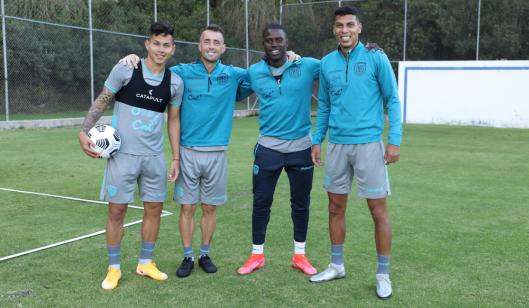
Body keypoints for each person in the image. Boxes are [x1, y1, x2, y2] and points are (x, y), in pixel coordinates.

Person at [120, 24, 301, 278]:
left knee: (209, 208)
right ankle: (187, 256)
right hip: (187, 152)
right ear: (199, 45)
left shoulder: (235, 75)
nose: (212, 46)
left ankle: (204, 253)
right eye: (207, 41)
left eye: (217, 42)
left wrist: (289, 56)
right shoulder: (181, 73)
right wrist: (133, 60)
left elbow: (266, 70)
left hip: (217, 153)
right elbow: (155, 68)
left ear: (223, 47)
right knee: (187, 208)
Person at [78, 21, 183, 290]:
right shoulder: (125, 69)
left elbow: (173, 121)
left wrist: (175, 157)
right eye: (156, 43)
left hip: (154, 158)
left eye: (166, 45)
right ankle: (114, 268)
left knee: (154, 209)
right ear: (147, 44)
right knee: (117, 210)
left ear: (173, 49)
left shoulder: (174, 83)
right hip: (122, 156)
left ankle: (145, 263)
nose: (161, 49)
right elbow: (103, 99)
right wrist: (84, 131)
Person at [308, 6, 402, 300]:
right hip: (337, 145)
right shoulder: (326, 63)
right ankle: (337, 265)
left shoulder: (376, 57)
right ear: (334, 29)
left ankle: (382, 274)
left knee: (378, 211)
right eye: (339, 25)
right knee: (335, 208)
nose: (344, 30)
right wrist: (316, 139)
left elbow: (393, 99)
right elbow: (323, 105)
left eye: (350, 24)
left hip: (369, 144)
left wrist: (394, 140)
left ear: (359, 28)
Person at [236, 24, 319, 276]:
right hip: (268, 148)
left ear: (286, 42)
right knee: (261, 202)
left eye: (279, 40)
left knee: (301, 203)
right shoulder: (255, 72)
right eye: (269, 40)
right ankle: (257, 256)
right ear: (263, 43)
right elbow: (231, 89)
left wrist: (370, 50)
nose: (274, 44)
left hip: (301, 148)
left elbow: (338, 63)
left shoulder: (306, 65)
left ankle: (300, 256)